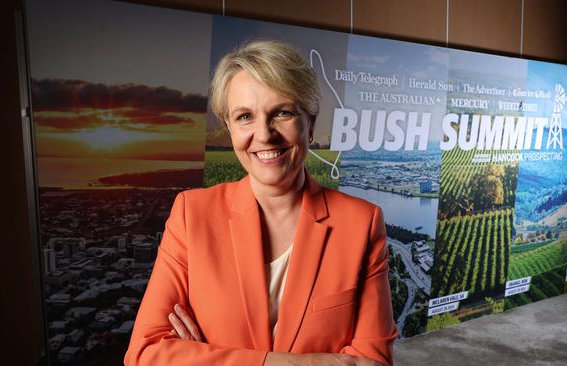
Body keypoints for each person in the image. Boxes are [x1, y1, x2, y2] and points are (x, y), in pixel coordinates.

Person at [124, 39, 397, 366]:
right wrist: (293, 362)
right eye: (245, 117)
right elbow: (145, 354)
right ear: (229, 128)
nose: (264, 135)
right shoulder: (191, 214)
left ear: (310, 124)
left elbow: (373, 362)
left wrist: (204, 356)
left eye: (281, 112)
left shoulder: (361, 223)